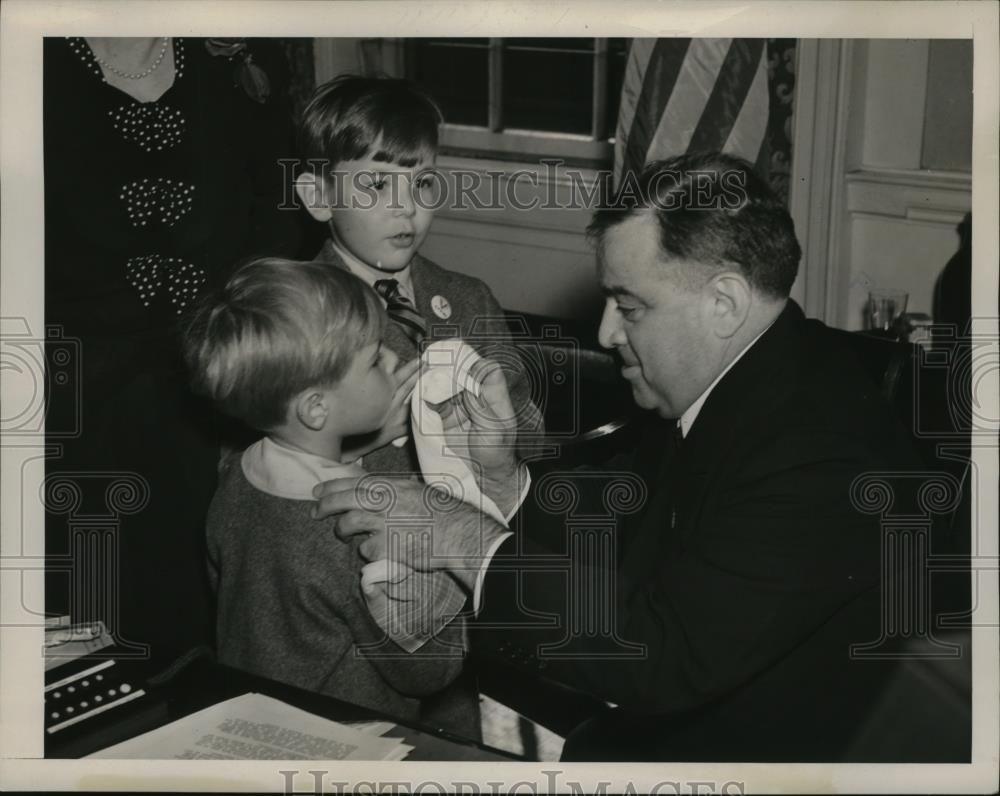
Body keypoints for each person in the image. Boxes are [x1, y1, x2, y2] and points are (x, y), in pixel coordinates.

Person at [314, 154, 957, 762]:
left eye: (630, 305)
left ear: (724, 303)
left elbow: (660, 653)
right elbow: (630, 517)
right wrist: (505, 481)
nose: (605, 333)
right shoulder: (752, 376)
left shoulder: (822, 455)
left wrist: (463, 539)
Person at [43, 37, 302, 661]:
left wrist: (242, 340)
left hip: (219, 388)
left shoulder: (239, 56)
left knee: (210, 637)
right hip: (64, 402)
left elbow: (285, 207)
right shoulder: (28, 60)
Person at [182, 258, 468, 725]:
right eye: (375, 359)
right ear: (316, 408)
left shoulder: (238, 476)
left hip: (252, 718)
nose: (394, 360)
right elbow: (428, 671)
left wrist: (362, 441)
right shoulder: (359, 529)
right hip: (345, 741)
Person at [293, 75, 543, 471]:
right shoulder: (292, 313)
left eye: (422, 183)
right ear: (319, 198)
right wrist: (357, 445)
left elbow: (530, 434)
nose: (407, 206)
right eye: (377, 184)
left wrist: (500, 439)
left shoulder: (469, 298)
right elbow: (246, 472)